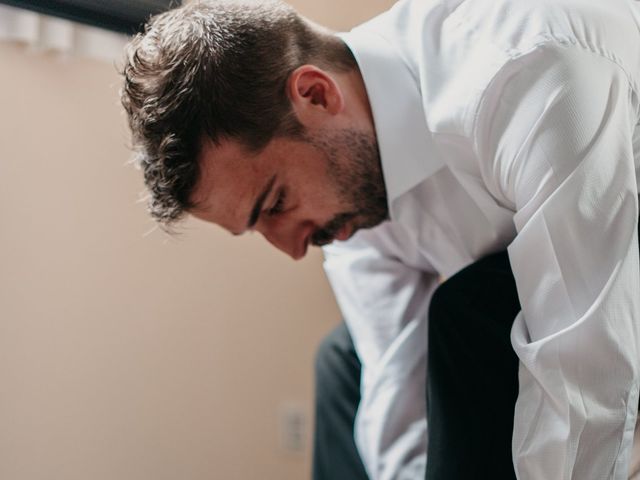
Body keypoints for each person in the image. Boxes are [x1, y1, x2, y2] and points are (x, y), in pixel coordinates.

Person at [120, 0, 640, 478]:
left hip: (613, 245)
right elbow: (396, 393)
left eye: (275, 203)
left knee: (468, 311)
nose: (294, 248)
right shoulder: (347, 187)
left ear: (316, 94)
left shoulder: (524, 75)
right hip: (558, 267)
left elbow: (586, 365)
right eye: (256, 229)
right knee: (343, 361)